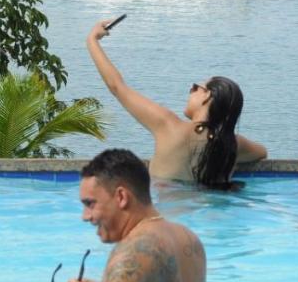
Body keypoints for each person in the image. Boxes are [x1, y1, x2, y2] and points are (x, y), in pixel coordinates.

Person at [39, 148, 205, 282]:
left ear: (121, 197)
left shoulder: (128, 255)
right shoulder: (189, 239)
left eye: (90, 204)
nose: (85, 216)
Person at [86, 19, 267, 188]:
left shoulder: (168, 126)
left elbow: (117, 87)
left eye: (195, 87)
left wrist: (92, 39)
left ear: (207, 97)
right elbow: (261, 153)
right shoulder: (233, 144)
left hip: (170, 214)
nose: (190, 92)